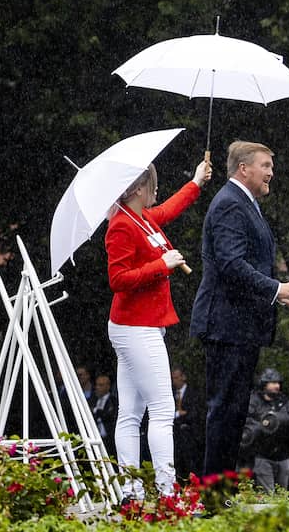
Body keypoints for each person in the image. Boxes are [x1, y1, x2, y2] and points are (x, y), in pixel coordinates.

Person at [189, 141, 289, 476]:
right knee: (225, 411)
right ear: (244, 168)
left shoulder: (245, 203)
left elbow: (246, 263)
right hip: (227, 326)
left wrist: (277, 294)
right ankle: (213, 495)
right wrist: (276, 288)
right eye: (266, 165)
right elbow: (231, 264)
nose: (272, 172)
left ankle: (221, 490)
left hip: (240, 327)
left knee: (234, 412)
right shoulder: (230, 204)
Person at [105, 156, 211, 500]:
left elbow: (169, 209)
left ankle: (131, 491)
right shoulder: (121, 224)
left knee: (131, 414)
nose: (156, 189)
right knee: (163, 409)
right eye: (152, 183)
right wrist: (160, 264)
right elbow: (118, 280)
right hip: (135, 326)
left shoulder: (142, 218)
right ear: (138, 188)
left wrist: (196, 182)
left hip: (142, 325)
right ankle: (168, 492)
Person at [240, 368, 289, 492]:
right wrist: (264, 424)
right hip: (262, 455)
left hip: (282, 454)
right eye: (273, 382)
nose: (277, 386)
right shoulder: (253, 401)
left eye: (278, 383)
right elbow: (246, 423)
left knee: (283, 494)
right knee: (268, 496)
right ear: (264, 384)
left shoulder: (283, 401)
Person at [171, 365, 203, 480]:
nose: (175, 381)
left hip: (190, 436)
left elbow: (194, 413)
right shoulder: (171, 394)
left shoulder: (193, 393)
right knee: (179, 466)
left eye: (177, 377)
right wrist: (180, 413)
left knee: (192, 465)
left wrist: (180, 414)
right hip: (176, 436)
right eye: (173, 378)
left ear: (183, 377)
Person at [90, 374, 118, 458]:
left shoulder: (113, 401)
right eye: (97, 385)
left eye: (101, 385)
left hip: (109, 437)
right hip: (95, 435)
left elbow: (110, 416)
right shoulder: (93, 400)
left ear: (108, 386)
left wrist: (97, 412)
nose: (98, 387)